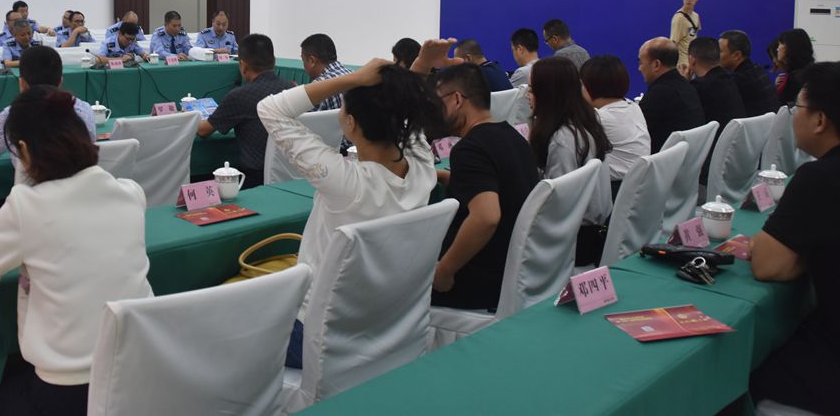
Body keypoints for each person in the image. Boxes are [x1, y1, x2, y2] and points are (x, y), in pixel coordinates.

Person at [0, 85, 152, 416]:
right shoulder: (131, 192)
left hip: (67, 386)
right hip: (137, 371)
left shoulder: (26, 205)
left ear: (24, 150)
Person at [258, 56, 441, 369]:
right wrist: (420, 65)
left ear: (351, 123)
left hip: (317, 337)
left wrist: (352, 79)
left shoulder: (346, 182)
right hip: (387, 327)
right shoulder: (424, 168)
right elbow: (409, 116)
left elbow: (270, 109)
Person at [749, 62, 840, 415]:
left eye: (798, 107)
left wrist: (805, 252)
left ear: (820, 120)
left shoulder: (821, 178)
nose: (794, 116)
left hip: (838, 370)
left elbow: (768, 264)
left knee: (746, 378)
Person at [418, 53, 538, 311]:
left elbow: (486, 217)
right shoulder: (511, 136)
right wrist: (447, 177)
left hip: (477, 282)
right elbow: (503, 185)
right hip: (513, 270)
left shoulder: (470, 149)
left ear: (456, 100)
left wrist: (445, 271)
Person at [0, 46, 96, 183]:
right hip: (80, 191)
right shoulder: (84, 109)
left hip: (33, 193)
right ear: (60, 81)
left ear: (22, 84)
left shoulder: (13, 114)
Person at [528, 57, 612, 265]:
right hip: (592, 234)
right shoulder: (586, 122)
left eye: (531, 89)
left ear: (547, 93)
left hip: (573, 242)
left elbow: (558, 204)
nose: (527, 95)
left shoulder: (562, 140)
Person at [197, 34, 292, 185]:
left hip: (253, 179)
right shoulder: (291, 88)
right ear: (274, 61)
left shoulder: (239, 96)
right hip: (289, 173)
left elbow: (203, 131)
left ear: (243, 65)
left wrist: (188, 116)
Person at [580, 55, 650, 198]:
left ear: (591, 86)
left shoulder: (600, 119)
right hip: (640, 186)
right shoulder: (633, 107)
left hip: (614, 192)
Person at [687, 37, 746, 184]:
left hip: (709, 164)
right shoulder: (729, 79)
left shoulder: (699, 87)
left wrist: (685, 83)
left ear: (691, 60)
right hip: (735, 159)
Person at [637, 37, 705, 153]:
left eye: (641, 63)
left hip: (663, 160)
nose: (639, 68)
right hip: (686, 158)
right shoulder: (687, 86)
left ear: (656, 64)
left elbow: (635, 134)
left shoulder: (659, 94)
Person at [719, 30, 779, 117]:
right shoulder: (757, 70)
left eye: (720, 51)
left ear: (737, 55)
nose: (715, 55)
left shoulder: (738, 80)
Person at [299, 33, 353, 110]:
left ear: (312, 61)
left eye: (303, 60)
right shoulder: (352, 74)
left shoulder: (317, 87)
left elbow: (304, 117)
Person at [776, 28, 815, 105]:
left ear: (789, 47)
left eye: (780, 44)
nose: (777, 49)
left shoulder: (797, 79)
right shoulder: (806, 71)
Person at [670, 0, 701, 74]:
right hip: (681, 66)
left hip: (692, 63)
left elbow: (693, 36)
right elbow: (673, 43)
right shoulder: (679, 18)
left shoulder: (696, 16)